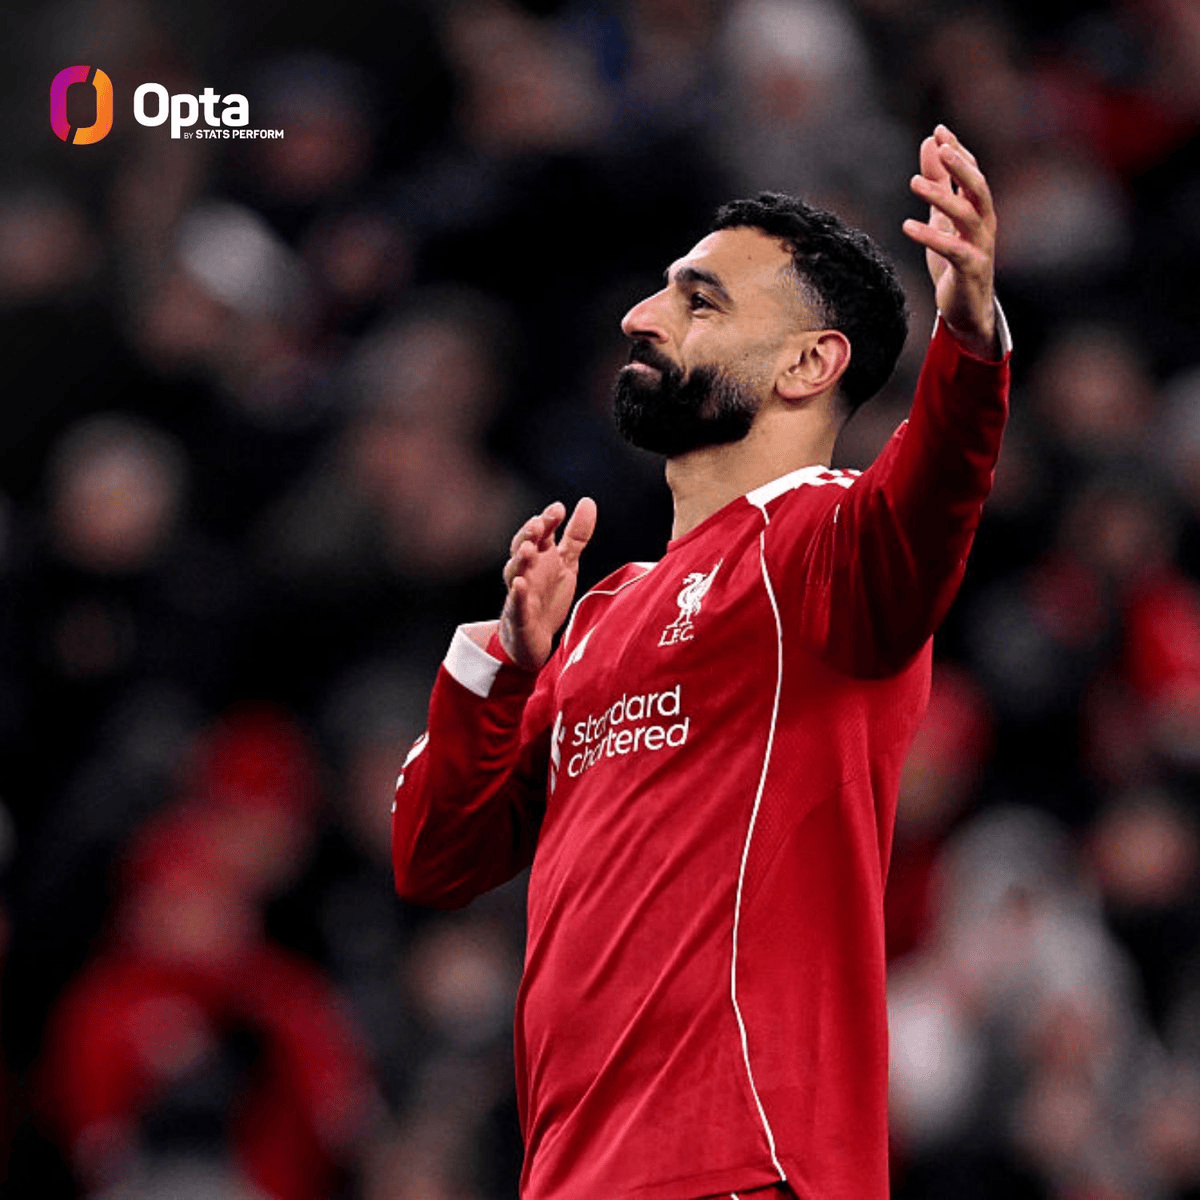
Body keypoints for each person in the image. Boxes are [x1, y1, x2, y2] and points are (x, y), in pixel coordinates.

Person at [392, 124, 1011, 1200]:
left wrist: (968, 337)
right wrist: (505, 668)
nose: (642, 315)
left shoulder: (824, 546)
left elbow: (934, 493)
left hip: (742, 1165)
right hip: (577, 1177)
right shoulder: (602, 614)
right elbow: (436, 856)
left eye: (700, 301)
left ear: (810, 364)